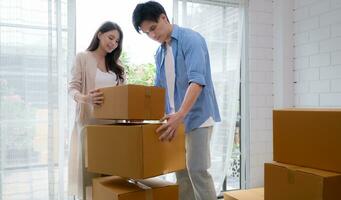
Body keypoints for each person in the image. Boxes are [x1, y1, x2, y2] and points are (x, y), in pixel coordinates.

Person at [132, 2, 221, 200]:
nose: (152, 36)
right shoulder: (160, 53)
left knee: (197, 171)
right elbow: (159, 90)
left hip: (197, 117)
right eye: (147, 33)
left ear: (164, 17)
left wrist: (180, 115)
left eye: (153, 28)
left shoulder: (191, 40)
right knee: (181, 173)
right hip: (175, 120)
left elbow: (197, 81)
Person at [68, 21, 125, 200]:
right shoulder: (83, 57)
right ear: (99, 34)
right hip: (89, 124)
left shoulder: (117, 65)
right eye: (110, 37)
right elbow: (72, 88)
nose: (113, 43)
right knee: (89, 170)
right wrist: (86, 99)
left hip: (113, 126)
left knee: (110, 172)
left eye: (117, 41)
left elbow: (123, 94)